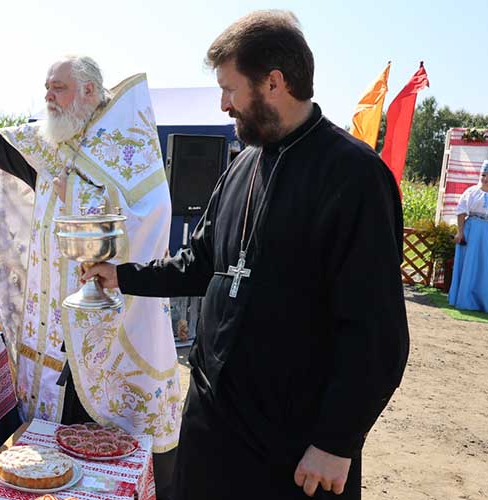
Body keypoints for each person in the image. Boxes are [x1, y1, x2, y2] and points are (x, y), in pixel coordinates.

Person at [83, 11, 409, 499]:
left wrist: (336, 441)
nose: (223, 104)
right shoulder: (242, 167)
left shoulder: (355, 177)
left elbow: (376, 330)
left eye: (231, 89)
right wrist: (120, 275)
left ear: (274, 82)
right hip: (213, 423)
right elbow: (200, 263)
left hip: (293, 442)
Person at [0, 55, 182, 499]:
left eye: (57, 88)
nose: (48, 97)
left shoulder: (126, 145)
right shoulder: (49, 143)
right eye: (46, 88)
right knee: (55, 448)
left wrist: (75, 192)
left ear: (88, 91)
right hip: (52, 327)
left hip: (110, 321)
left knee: (107, 452)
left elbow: (152, 215)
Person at [449, 160, 488, 312]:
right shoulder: (471, 192)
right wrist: (460, 231)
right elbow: (461, 212)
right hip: (473, 230)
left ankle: (486, 300)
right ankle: (466, 299)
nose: (485, 178)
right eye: (483, 175)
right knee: (470, 264)